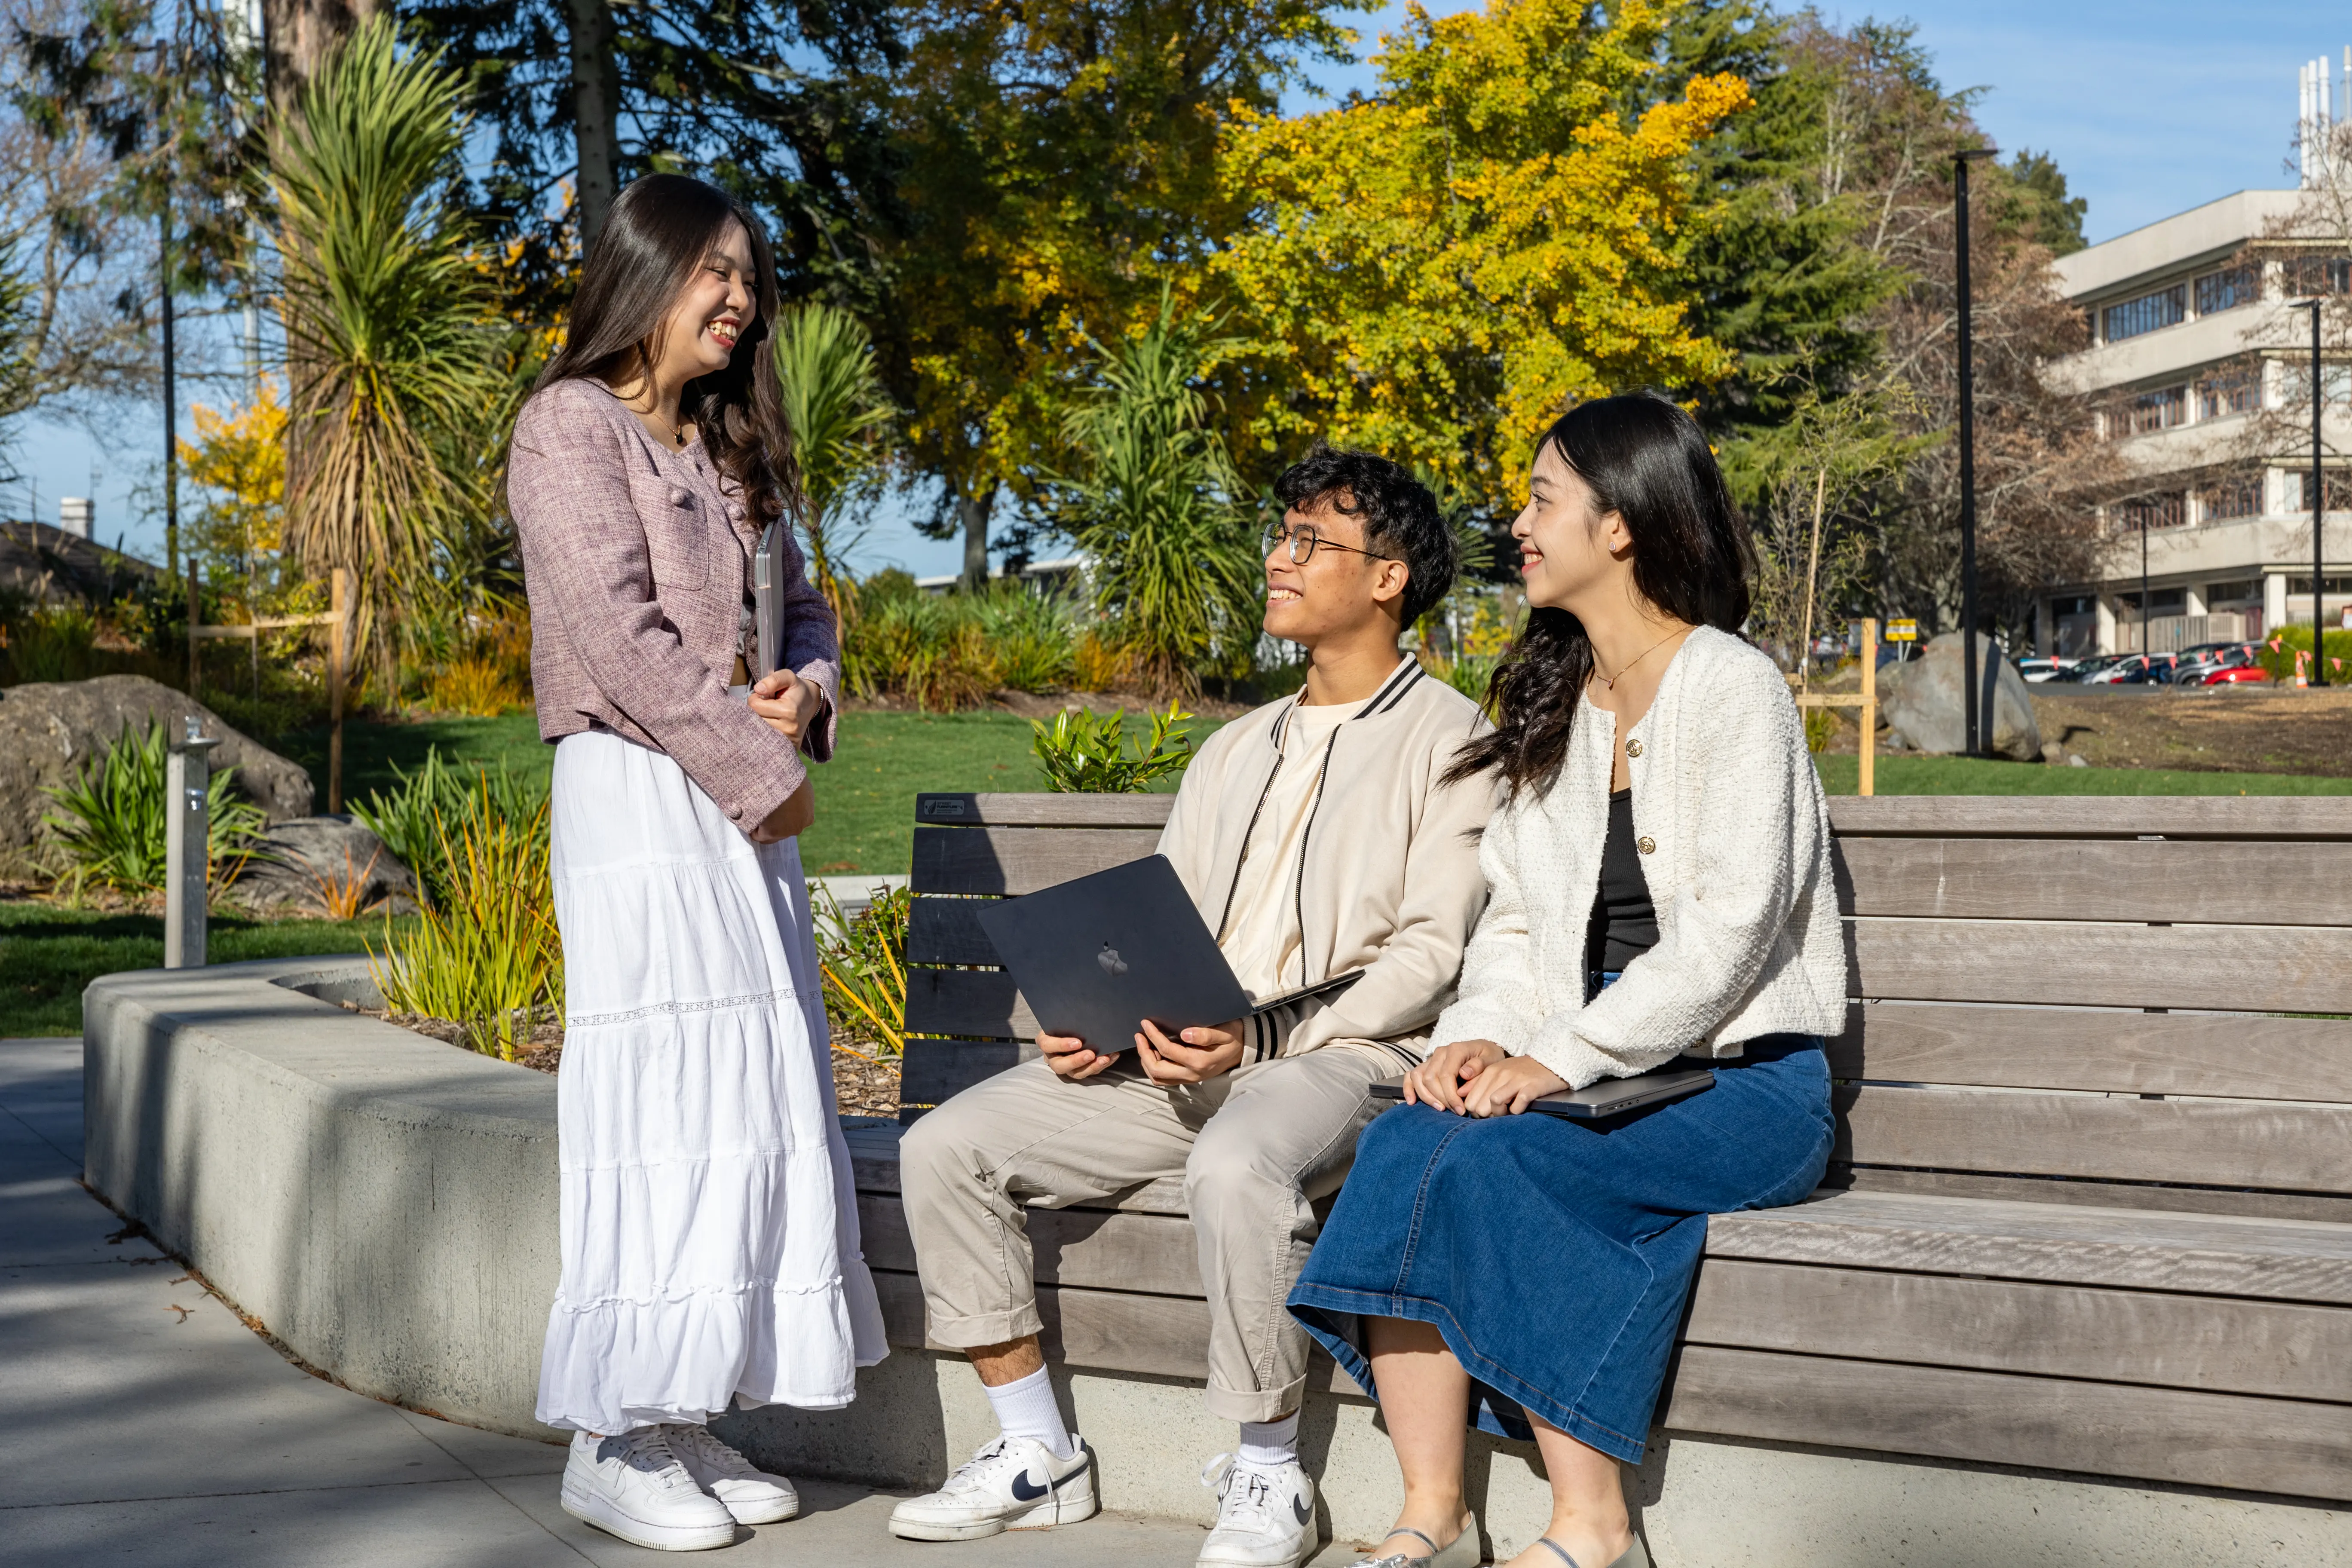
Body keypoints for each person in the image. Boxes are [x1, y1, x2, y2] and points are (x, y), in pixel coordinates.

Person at [890, 450, 1496, 1568]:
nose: (1279, 555)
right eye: (1282, 531)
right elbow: (1159, 924)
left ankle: (1269, 1475)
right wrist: (1103, 1021)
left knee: (1234, 1165)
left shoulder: (1456, 742)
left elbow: (1432, 955)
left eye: (1312, 540)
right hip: (1186, 1064)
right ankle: (1034, 1448)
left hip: (1348, 1063)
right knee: (946, 1145)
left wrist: (1260, 1035)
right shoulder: (1232, 748)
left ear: (1390, 578)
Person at [1287, 394, 1846, 1568]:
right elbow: (1517, 920)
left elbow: (1731, 939)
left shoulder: (1732, 688)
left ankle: (1594, 1528)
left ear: (1624, 524)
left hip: (1740, 1084)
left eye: (1544, 501)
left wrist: (1556, 1061)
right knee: (1409, 1138)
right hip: (1586, 1064)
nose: (1521, 526)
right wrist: (1483, 1038)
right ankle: (1429, 1517)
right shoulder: (1557, 705)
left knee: (1511, 1159)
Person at [507, 172, 887, 1553]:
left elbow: (807, 613)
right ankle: (612, 1431)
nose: (737, 300)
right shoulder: (567, 428)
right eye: (710, 273)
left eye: (748, 277)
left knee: (746, 1091)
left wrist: (805, 693)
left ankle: (677, 1411)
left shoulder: (732, 449)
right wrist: (757, 767)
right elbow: (615, 638)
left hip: (734, 796)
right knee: (663, 1096)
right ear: (640, 275)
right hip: (643, 794)